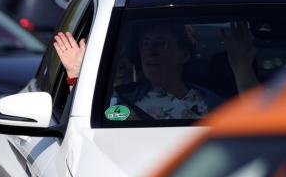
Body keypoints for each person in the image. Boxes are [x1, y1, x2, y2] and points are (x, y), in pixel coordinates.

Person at [53, 21, 258, 120]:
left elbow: (255, 122)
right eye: (146, 44)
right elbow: (86, 116)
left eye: (161, 43)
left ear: (184, 54)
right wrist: (76, 73)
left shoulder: (211, 103)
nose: (151, 51)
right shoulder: (120, 100)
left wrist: (242, 70)